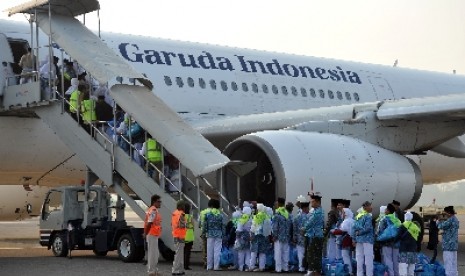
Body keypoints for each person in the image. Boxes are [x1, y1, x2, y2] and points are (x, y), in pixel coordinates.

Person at [378, 203, 401, 276]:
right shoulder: (397, 220)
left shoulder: (385, 219)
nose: (385, 211)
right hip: (396, 243)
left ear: (388, 210)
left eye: (386, 209)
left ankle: (391, 274)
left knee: (388, 261)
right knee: (395, 261)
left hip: (386, 243)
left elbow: (379, 231)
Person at [304, 193, 324, 276]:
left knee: (313, 254)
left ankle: (315, 271)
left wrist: (303, 228)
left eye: (312, 202)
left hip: (316, 235)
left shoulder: (318, 212)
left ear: (317, 202)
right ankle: (314, 271)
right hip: (313, 235)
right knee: (314, 254)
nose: (311, 203)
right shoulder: (315, 211)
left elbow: (311, 222)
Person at [352, 201, 374, 276]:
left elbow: (353, 229)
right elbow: (367, 228)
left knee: (359, 259)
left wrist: (354, 239)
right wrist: (360, 232)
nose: (371, 207)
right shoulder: (368, 216)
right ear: (365, 207)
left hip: (358, 241)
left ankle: (359, 274)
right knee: (368, 259)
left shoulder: (357, 216)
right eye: (370, 206)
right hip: (367, 240)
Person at [437, 206, 459, 276]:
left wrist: (438, 221)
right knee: (453, 264)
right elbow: (449, 230)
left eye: (446, 213)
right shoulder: (455, 220)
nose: (445, 215)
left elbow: (440, 226)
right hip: (454, 245)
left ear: (449, 213)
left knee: (448, 264)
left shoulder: (450, 220)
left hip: (448, 246)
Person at [202, 198, 223, 271]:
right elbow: (223, 226)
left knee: (209, 250)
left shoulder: (207, 215)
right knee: (217, 251)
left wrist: (203, 233)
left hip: (210, 234)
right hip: (219, 234)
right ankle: (216, 266)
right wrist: (223, 234)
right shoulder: (220, 215)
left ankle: (209, 266)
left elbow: (205, 225)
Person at [397, 211, 420, 276]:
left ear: (405, 217)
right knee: (411, 269)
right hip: (413, 250)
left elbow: (398, 236)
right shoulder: (415, 227)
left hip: (404, 250)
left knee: (403, 268)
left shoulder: (403, 225)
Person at [249, 203, 271, 272]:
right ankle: (262, 267)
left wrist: (251, 235)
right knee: (262, 252)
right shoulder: (267, 217)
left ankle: (251, 266)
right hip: (264, 236)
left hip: (256, 236)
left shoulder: (256, 216)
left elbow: (253, 227)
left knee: (254, 251)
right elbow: (269, 228)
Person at [144, 194, 162, 276]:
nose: (160, 203)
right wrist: (145, 233)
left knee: (155, 253)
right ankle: (151, 271)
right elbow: (150, 222)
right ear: (154, 202)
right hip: (152, 233)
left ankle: (154, 270)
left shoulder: (152, 210)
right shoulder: (153, 210)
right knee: (152, 253)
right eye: (158, 202)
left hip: (154, 233)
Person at [273, 197, 292, 273]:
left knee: (278, 252)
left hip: (279, 236)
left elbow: (275, 227)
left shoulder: (277, 214)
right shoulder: (288, 214)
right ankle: (285, 268)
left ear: (278, 203)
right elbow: (290, 225)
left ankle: (278, 269)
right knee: (286, 252)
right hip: (286, 236)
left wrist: (274, 235)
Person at [293, 200, 309, 273]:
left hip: (299, 238)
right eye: (307, 208)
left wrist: (294, 237)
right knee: (307, 253)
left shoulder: (296, 217)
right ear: (304, 208)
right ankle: (306, 267)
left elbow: (295, 229)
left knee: (300, 253)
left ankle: (301, 268)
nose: (308, 209)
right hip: (308, 238)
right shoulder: (309, 217)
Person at [171, 200, 187, 276]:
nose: (184, 207)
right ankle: (175, 270)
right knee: (179, 254)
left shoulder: (175, 213)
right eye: (183, 205)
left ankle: (180, 270)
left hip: (175, 235)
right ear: (181, 206)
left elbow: (172, 224)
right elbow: (182, 225)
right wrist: (187, 225)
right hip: (180, 235)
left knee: (179, 253)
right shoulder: (182, 214)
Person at [236, 206, 252, 271]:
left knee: (241, 252)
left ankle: (241, 266)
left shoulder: (242, 218)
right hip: (249, 236)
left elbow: (239, 229)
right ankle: (247, 266)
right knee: (248, 252)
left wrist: (237, 237)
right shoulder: (251, 219)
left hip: (241, 237)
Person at [183, 204, 194, 270]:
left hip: (183, 235)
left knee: (183, 251)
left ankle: (182, 264)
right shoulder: (190, 217)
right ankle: (186, 265)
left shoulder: (182, 216)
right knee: (188, 252)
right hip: (189, 236)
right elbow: (193, 226)